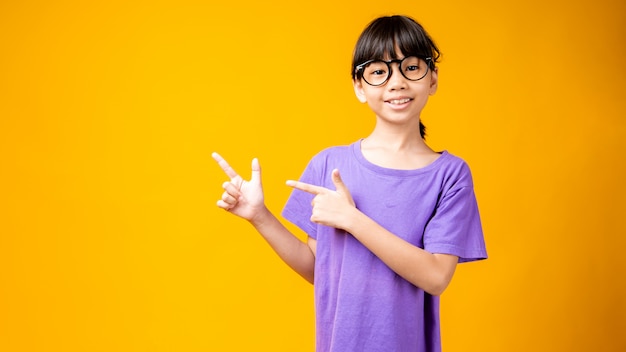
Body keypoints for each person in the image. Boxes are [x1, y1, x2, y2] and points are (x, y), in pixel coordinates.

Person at [212, 15, 487, 352]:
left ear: (432, 78)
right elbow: (319, 269)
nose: (396, 82)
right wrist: (260, 216)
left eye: (411, 67)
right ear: (359, 86)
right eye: (378, 72)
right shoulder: (330, 164)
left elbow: (435, 277)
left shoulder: (450, 175)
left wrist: (353, 220)